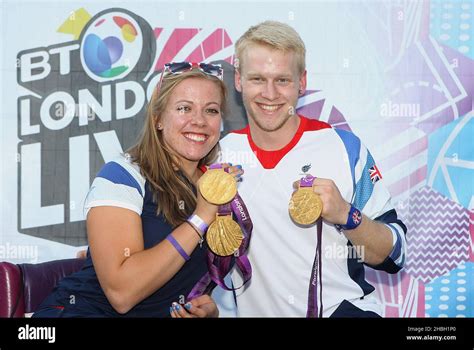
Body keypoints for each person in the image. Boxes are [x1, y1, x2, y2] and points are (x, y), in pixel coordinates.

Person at [214, 21, 407, 317]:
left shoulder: (344, 148)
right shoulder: (219, 156)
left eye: (282, 80)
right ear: (238, 80)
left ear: (302, 82)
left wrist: (346, 214)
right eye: (257, 79)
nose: (270, 93)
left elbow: (395, 255)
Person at [33, 62, 243, 318]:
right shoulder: (123, 175)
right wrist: (200, 218)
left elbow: (185, 274)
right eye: (184, 108)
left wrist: (206, 306)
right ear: (157, 119)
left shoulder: (215, 183)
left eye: (211, 110)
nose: (199, 121)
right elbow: (122, 294)